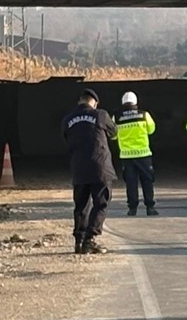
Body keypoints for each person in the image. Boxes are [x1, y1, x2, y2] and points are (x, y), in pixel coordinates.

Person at [61, 88, 117, 255]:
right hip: (100, 167)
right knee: (101, 203)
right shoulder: (100, 115)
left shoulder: (67, 119)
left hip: (79, 168)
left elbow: (66, 138)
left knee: (81, 206)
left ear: (80, 101)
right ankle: (90, 239)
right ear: (94, 102)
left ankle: (79, 241)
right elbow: (114, 133)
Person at [115, 90, 158, 216]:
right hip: (143, 154)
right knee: (147, 181)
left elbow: (112, 135)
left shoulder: (117, 117)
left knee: (131, 183)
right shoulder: (144, 115)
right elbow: (151, 130)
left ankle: (132, 208)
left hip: (127, 156)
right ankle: (150, 207)